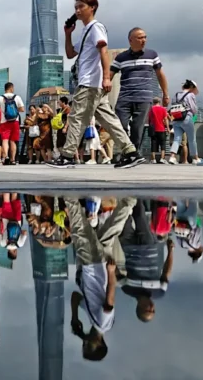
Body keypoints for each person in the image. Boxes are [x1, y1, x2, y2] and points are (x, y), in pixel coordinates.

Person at [50, 0, 145, 169]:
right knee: (109, 119)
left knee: (77, 117)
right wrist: (67, 34)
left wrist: (107, 77)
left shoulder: (96, 27)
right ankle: (131, 152)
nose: (77, 11)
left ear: (92, 7)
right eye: (76, 7)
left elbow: (103, 51)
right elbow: (71, 53)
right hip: (93, 84)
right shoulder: (86, 30)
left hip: (89, 82)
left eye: (81, 7)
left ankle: (67, 155)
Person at [68, 196, 136, 361]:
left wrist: (75, 317)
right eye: (88, 347)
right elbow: (110, 299)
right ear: (99, 344)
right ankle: (69, 196)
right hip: (94, 265)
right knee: (79, 230)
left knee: (110, 230)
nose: (84, 344)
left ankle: (129, 201)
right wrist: (112, 272)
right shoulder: (103, 323)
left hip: (97, 266)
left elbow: (76, 297)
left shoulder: (93, 319)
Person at [111, 28, 169, 152]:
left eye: (145, 37)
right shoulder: (121, 57)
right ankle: (126, 151)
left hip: (143, 98)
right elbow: (109, 76)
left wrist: (165, 94)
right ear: (130, 40)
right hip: (124, 97)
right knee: (119, 126)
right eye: (140, 37)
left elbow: (160, 75)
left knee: (138, 128)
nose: (143, 40)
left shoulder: (152, 55)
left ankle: (133, 153)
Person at [118, 200, 174, 322]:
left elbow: (115, 273)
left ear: (139, 308)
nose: (152, 308)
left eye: (148, 310)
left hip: (128, 247)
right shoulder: (159, 292)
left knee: (123, 217)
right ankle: (136, 193)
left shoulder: (127, 289)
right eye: (153, 311)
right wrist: (170, 251)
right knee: (139, 216)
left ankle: (123, 196)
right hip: (149, 247)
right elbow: (166, 273)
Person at [167, 80, 199, 165]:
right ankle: (195, 158)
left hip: (176, 119)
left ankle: (172, 157)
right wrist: (194, 115)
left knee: (177, 139)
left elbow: (173, 106)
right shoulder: (190, 95)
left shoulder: (176, 95)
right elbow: (193, 109)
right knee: (192, 139)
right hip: (187, 118)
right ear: (191, 87)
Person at [0, 83, 25, 165]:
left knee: (5, 140)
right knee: (13, 141)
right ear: (11, 88)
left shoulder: (0, 98)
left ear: (5, 88)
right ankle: (13, 160)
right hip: (15, 121)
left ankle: (5, 158)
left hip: (4, 122)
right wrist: (14, 110)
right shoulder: (17, 97)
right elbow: (22, 109)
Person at [147, 97, 169, 164]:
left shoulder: (151, 109)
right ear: (159, 102)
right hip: (161, 128)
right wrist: (167, 128)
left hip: (153, 128)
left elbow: (149, 119)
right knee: (163, 144)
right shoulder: (163, 109)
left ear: (153, 102)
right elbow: (165, 119)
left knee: (153, 143)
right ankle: (162, 159)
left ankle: (153, 159)